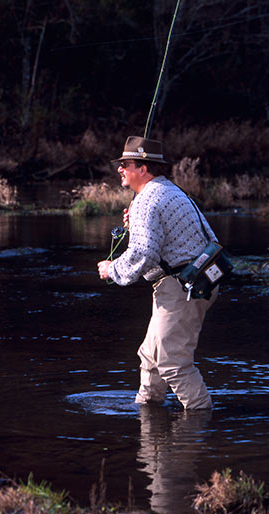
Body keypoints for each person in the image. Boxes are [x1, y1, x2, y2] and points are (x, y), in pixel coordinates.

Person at [97, 136, 218, 410]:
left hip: (181, 287)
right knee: (150, 356)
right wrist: (137, 224)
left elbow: (144, 253)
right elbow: (199, 237)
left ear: (143, 168)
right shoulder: (169, 191)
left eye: (125, 164)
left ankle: (201, 422)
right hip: (200, 280)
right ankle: (147, 410)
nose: (119, 169)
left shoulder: (147, 200)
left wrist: (111, 269)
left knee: (172, 361)